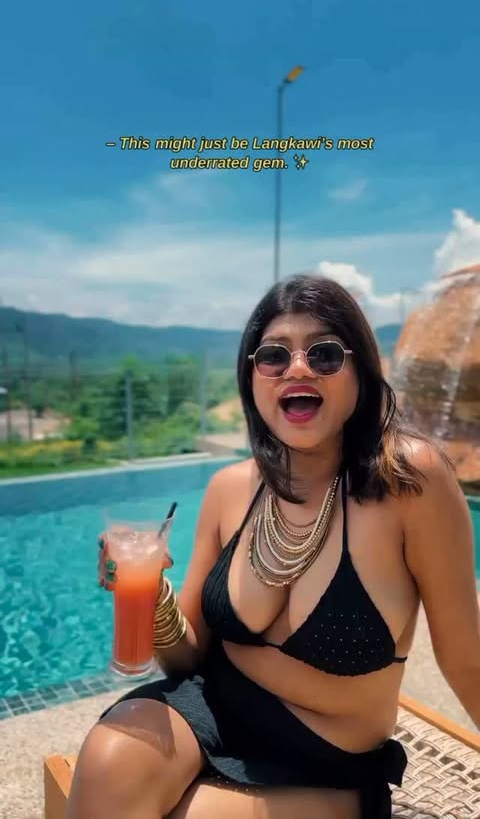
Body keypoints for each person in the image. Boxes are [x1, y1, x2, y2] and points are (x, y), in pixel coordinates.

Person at [67, 274, 480, 819]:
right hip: (211, 709)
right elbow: (186, 658)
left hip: (328, 760)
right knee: (108, 762)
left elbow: (465, 660)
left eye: (324, 354)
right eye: (274, 356)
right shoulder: (229, 489)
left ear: (360, 371)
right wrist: (152, 594)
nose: (298, 368)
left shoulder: (408, 481)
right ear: (253, 378)